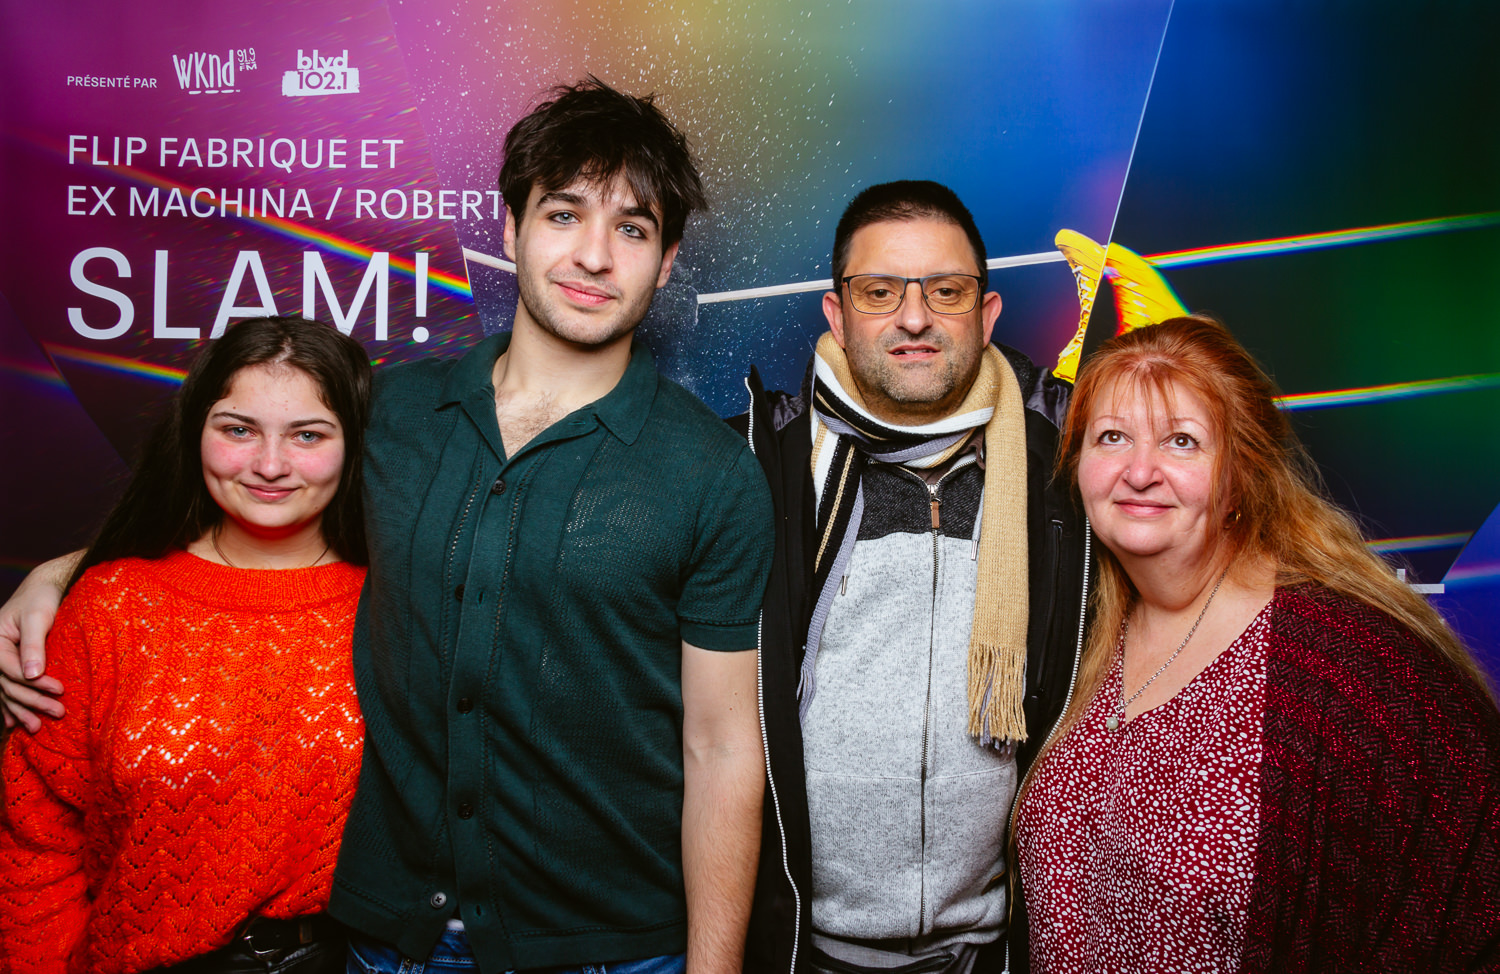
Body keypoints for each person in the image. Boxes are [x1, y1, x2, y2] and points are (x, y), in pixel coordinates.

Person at [1, 78, 773, 974]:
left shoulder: (713, 473)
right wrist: (60, 575)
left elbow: (721, 747)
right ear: (511, 227)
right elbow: (257, 507)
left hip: (612, 951)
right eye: (564, 215)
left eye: (632, 229)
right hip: (389, 944)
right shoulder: (391, 414)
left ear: (667, 261)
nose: (594, 256)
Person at [1014, 314, 1500, 972]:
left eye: (1182, 441)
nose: (1139, 471)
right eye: (1112, 437)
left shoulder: (1340, 659)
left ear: (1241, 475)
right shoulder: (1077, 628)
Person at [737, 181, 1089, 974]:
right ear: (837, 315)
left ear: (987, 314)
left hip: (990, 951)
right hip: (804, 950)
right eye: (880, 291)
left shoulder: (1066, 464)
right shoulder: (761, 466)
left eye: (946, 291)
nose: (916, 317)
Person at [0, 316, 371, 973]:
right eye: (238, 429)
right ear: (195, 431)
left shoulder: (400, 601)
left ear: (354, 444)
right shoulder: (112, 605)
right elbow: (37, 839)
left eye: (308, 434)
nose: (270, 465)